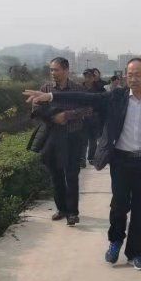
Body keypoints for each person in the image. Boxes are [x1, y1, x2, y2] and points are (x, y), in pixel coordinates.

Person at [24, 58, 141, 271]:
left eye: (138, 74)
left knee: (140, 210)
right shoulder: (116, 97)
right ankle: (115, 241)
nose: (133, 79)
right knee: (119, 205)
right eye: (129, 75)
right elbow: (84, 97)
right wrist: (52, 96)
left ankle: (135, 253)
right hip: (121, 160)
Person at [31, 57, 92, 226]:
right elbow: (36, 109)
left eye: (56, 69)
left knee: (71, 175)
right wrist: (53, 117)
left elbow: (88, 108)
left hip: (73, 136)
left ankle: (72, 213)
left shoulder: (78, 89)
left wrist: (67, 115)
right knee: (56, 175)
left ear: (66, 70)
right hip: (52, 137)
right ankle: (61, 209)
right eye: (51, 69)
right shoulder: (45, 88)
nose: (53, 73)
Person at [82, 69, 105, 166]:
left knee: (93, 140)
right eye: (86, 76)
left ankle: (91, 157)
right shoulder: (80, 88)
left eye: (90, 76)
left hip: (95, 118)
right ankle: (82, 159)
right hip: (82, 117)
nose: (88, 78)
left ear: (93, 77)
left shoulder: (99, 88)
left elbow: (103, 101)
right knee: (83, 140)